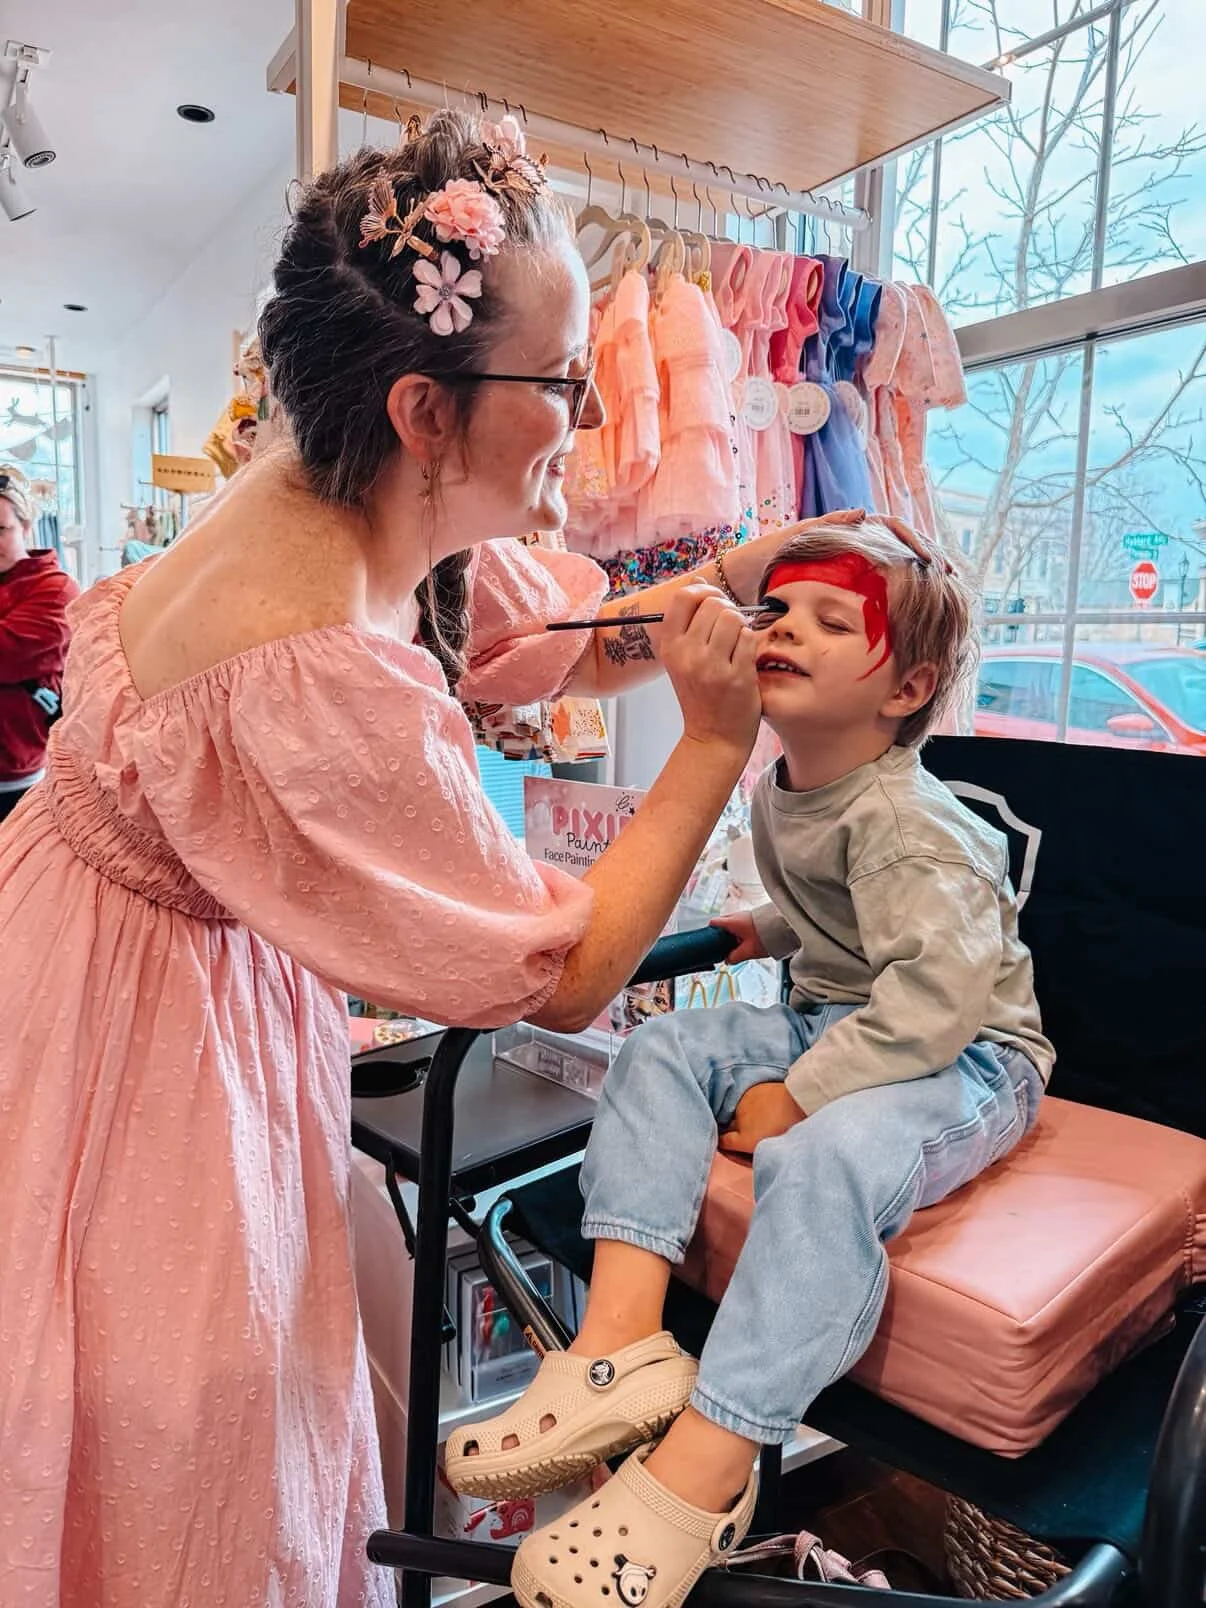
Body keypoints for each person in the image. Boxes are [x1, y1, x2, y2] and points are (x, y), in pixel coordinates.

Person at [0, 111, 852, 1608]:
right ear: (426, 410)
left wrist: (738, 575)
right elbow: (569, 970)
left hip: (126, 967)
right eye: (566, 386)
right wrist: (716, 743)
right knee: (174, 1428)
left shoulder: (353, 493)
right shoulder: (310, 654)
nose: (588, 423)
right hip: (136, 1046)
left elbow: (556, 637)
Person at [449, 518, 1055, 1608]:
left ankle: (711, 1458)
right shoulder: (792, 784)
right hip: (847, 1011)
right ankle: (619, 1345)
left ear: (906, 687)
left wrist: (801, 1094)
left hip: (969, 1056)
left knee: (824, 1161)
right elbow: (851, 918)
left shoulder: (914, 827)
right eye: (778, 610)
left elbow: (938, 997)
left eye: (833, 621)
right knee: (671, 1041)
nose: (783, 629)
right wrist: (766, 930)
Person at [0, 468, 79, 822]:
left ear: (27, 527)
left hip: (16, 778)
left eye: (1, 530)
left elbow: (6, 652)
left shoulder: (54, 589)